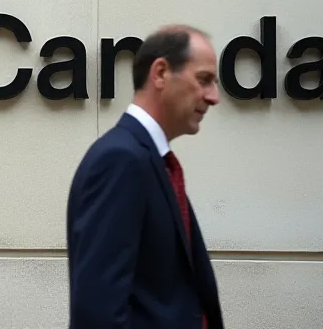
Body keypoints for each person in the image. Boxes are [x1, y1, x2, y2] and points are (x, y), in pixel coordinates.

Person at [66, 24, 224, 329]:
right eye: (204, 80)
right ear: (161, 73)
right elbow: (98, 312)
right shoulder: (120, 161)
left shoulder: (150, 159)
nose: (214, 97)